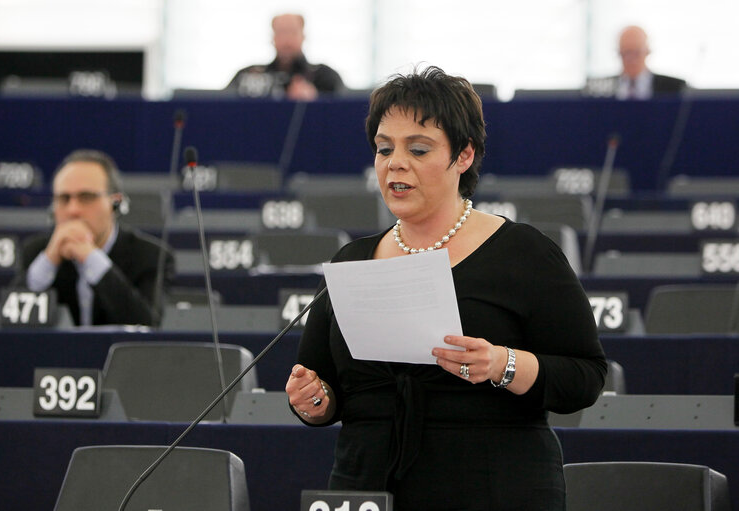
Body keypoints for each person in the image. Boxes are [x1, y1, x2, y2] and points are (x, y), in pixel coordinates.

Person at [285, 67, 607, 510]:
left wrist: (501, 363)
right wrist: (313, 400)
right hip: (366, 488)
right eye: (384, 149)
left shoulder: (524, 253)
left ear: (464, 156)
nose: (396, 162)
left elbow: (585, 378)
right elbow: (327, 393)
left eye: (418, 148)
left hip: (494, 485)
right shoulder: (351, 261)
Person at [13, 149, 175, 327]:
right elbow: (12, 324)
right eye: (64, 198)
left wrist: (92, 258)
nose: (73, 210)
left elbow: (146, 325)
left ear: (115, 203)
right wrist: (49, 260)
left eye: (86, 197)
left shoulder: (151, 256)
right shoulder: (36, 252)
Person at [225, 13, 345, 100]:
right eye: (281, 32)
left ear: (303, 36)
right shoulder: (247, 75)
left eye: (292, 32)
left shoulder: (324, 76)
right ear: (273, 37)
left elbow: (345, 110)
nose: (286, 40)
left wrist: (316, 99)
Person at [586, 25, 686, 99]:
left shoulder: (675, 87)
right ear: (618, 53)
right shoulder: (597, 88)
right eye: (626, 52)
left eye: (637, 52)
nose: (631, 59)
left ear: (647, 52)